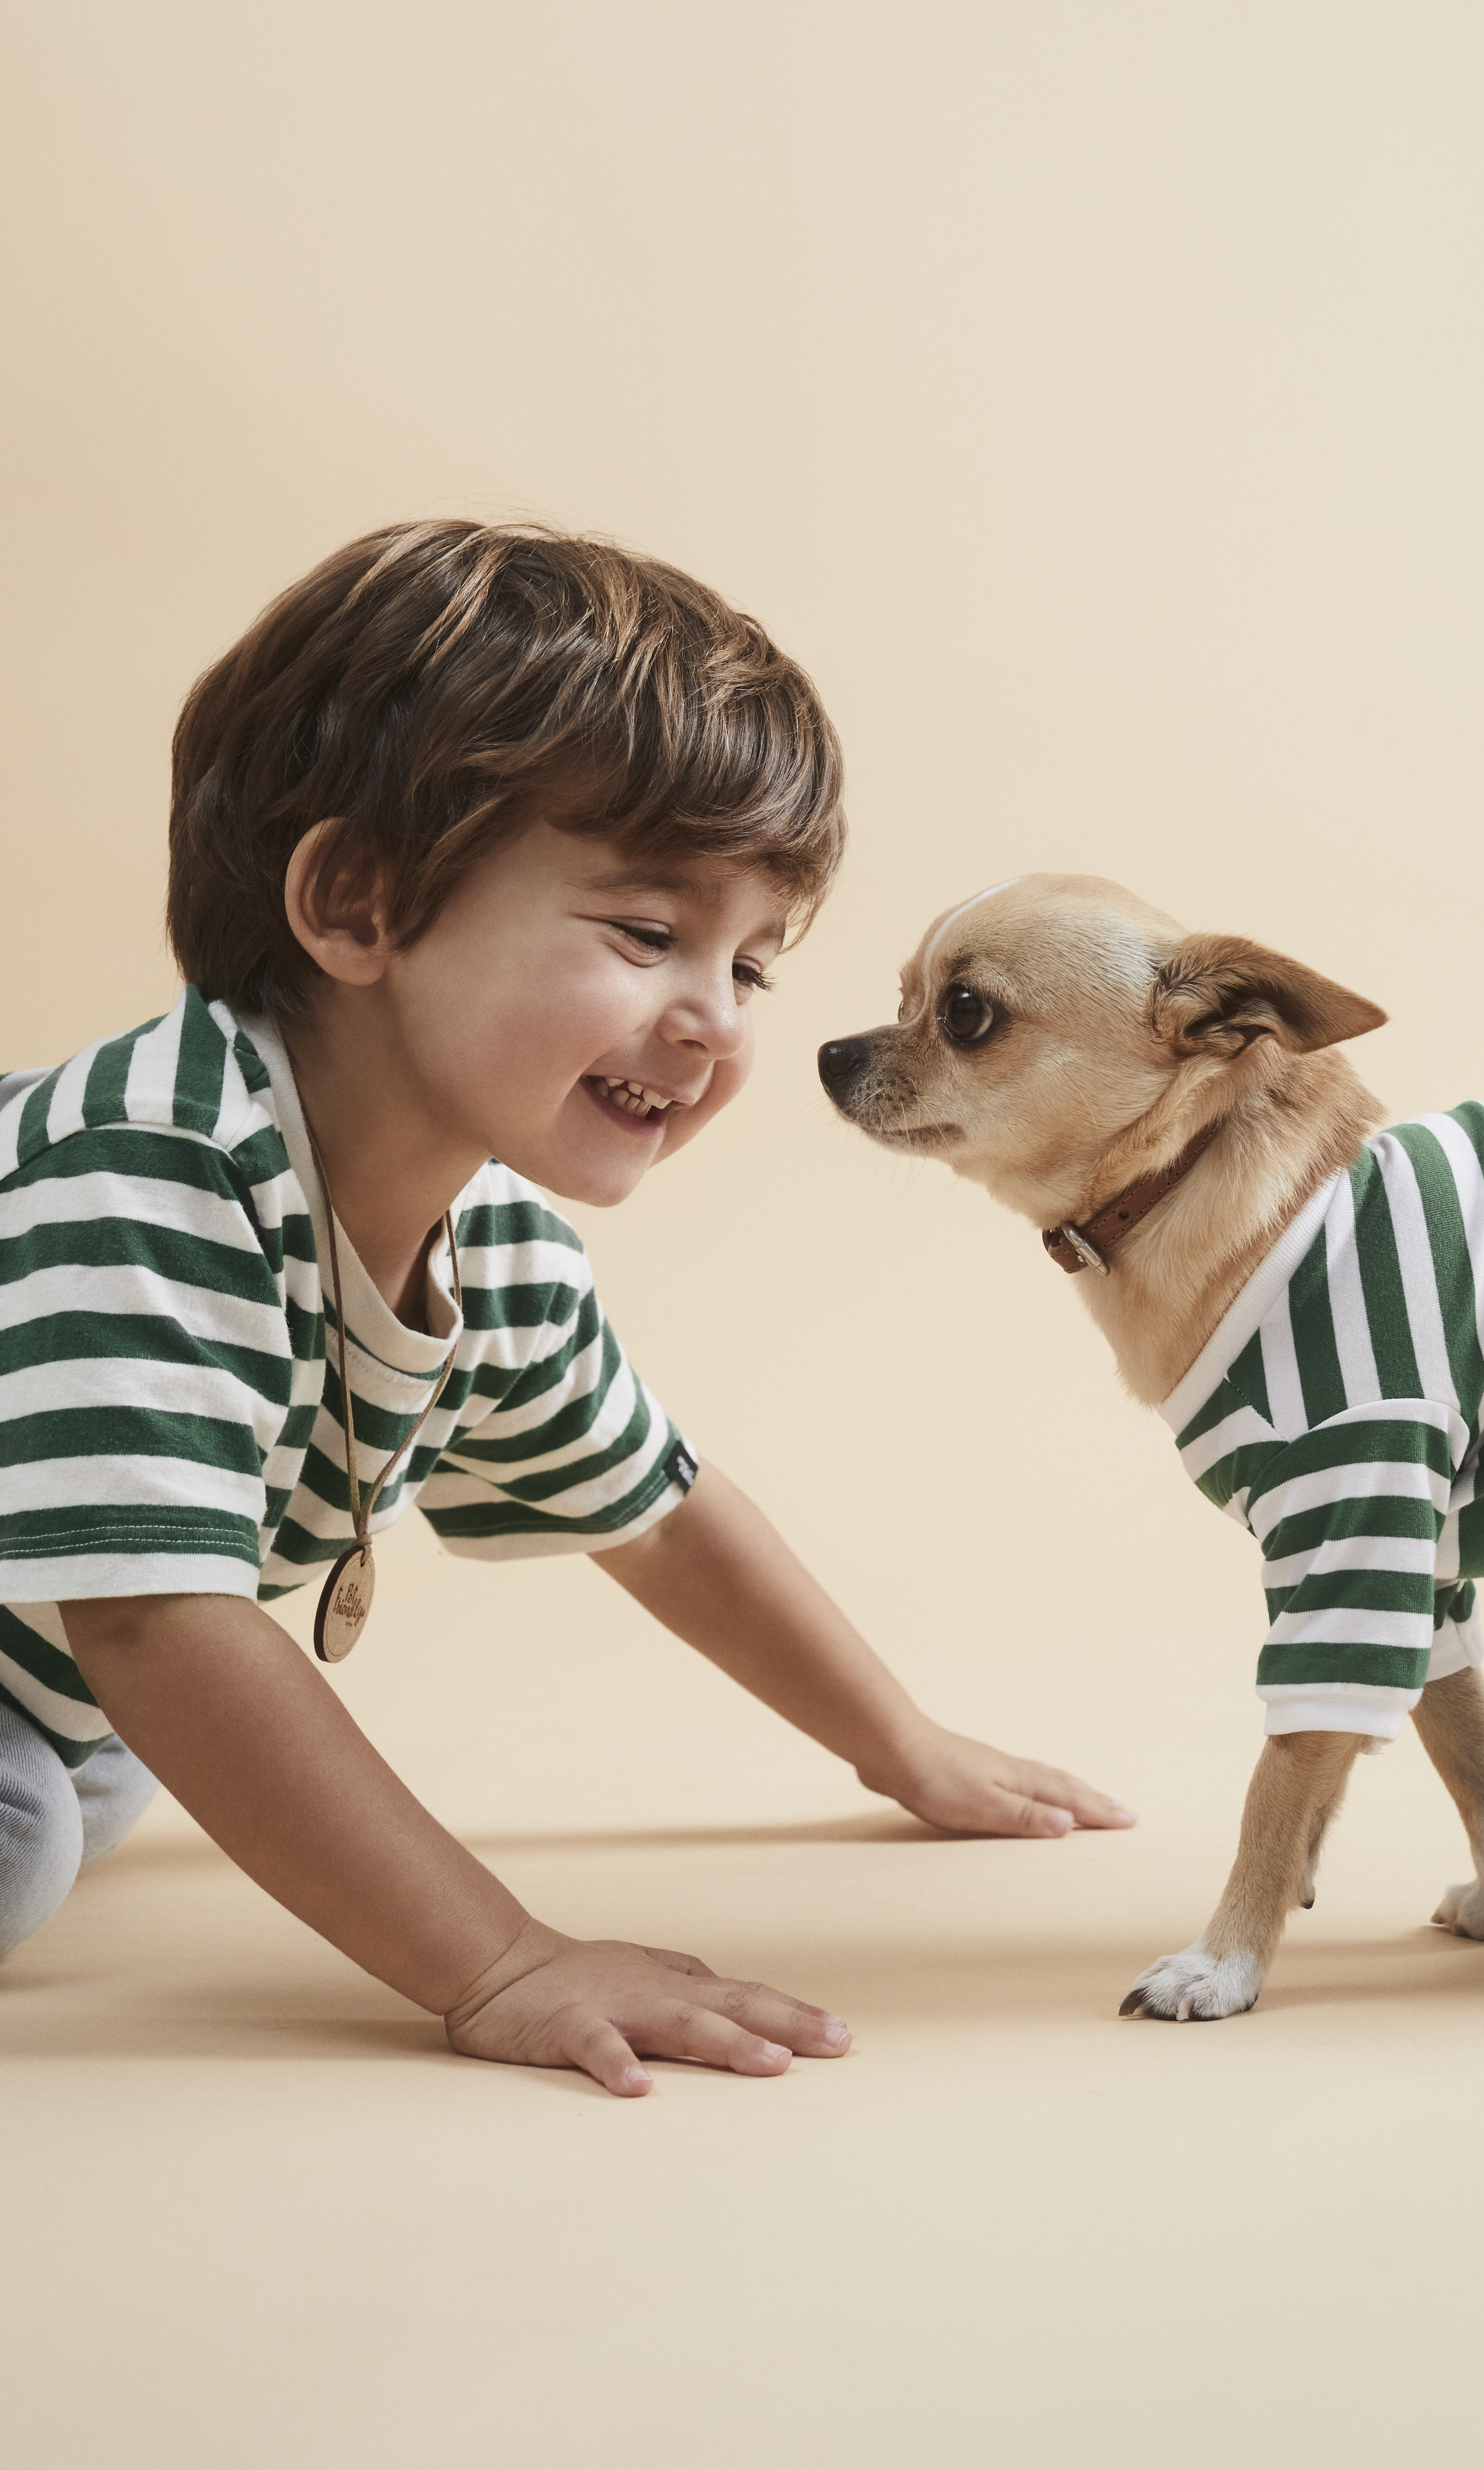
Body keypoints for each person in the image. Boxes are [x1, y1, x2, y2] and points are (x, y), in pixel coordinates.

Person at [0, 518, 1131, 2094]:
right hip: (67, 1655)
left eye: (753, 968)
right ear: (358, 907)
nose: (715, 1023)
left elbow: (659, 1515)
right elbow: (149, 1617)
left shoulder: (497, 1239)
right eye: (649, 935)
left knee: (95, 1768)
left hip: (44, 1664)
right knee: (33, 1828)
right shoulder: (146, 1174)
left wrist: (904, 1747)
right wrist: (501, 1961)